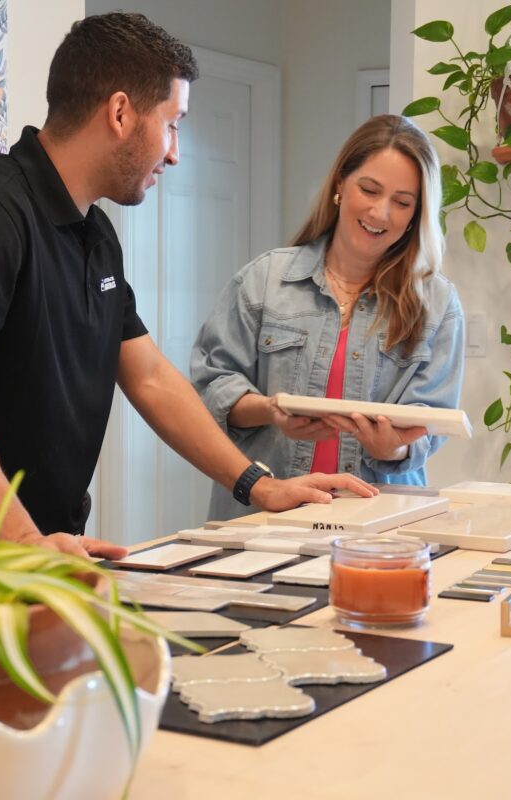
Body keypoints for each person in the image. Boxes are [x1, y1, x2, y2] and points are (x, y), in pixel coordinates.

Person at [0, 12, 374, 560]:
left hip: (46, 547)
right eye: (172, 123)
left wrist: (258, 485)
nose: (174, 152)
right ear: (120, 112)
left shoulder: (95, 234)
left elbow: (149, 377)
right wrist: (22, 540)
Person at [191, 114, 465, 522]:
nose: (380, 212)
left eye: (402, 202)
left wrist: (393, 447)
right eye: (369, 189)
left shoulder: (437, 305)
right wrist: (270, 410)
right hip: (262, 521)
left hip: (379, 529)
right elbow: (210, 388)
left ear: (416, 214)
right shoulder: (264, 280)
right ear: (340, 184)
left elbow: (431, 421)